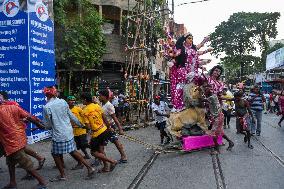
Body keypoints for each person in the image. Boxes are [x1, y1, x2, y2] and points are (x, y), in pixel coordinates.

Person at [42, 86, 95, 181]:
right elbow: (71, 116)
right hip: (69, 132)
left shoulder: (47, 107)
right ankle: (90, 168)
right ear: (55, 93)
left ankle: (62, 175)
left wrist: (40, 123)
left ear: (46, 95)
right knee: (73, 150)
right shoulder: (63, 102)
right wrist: (81, 125)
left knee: (55, 154)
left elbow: (48, 126)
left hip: (59, 135)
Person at [0, 94, 47, 189]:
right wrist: (38, 124)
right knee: (10, 163)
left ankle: (42, 183)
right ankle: (13, 183)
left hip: (12, 142)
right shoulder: (13, 107)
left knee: (25, 163)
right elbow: (29, 117)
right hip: (16, 139)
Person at [81, 93, 118, 173]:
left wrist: (81, 126)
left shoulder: (84, 111)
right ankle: (106, 167)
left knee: (93, 152)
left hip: (97, 133)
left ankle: (112, 161)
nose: (82, 101)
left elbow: (88, 127)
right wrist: (109, 127)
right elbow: (104, 118)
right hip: (104, 130)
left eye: (82, 99)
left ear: (85, 100)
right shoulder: (97, 106)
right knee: (101, 149)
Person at [203, 84, 234, 154]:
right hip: (219, 116)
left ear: (209, 90)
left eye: (205, 90)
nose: (204, 92)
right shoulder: (213, 96)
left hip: (218, 117)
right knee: (220, 132)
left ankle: (217, 150)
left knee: (213, 134)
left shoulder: (211, 97)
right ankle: (230, 142)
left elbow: (202, 100)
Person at [98, 90, 128, 163]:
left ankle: (124, 156)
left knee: (115, 141)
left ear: (104, 97)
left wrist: (120, 129)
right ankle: (101, 159)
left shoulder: (109, 105)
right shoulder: (102, 104)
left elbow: (115, 118)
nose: (99, 97)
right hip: (104, 127)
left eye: (100, 95)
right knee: (100, 143)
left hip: (110, 127)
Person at [67, 96, 91, 169]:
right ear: (67, 101)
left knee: (84, 143)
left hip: (81, 130)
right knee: (79, 146)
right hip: (73, 131)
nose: (72, 101)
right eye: (71, 100)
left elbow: (84, 117)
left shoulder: (78, 109)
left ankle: (96, 150)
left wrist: (86, 126)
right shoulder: (66, 109)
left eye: (74, 100)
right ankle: (86, 154)